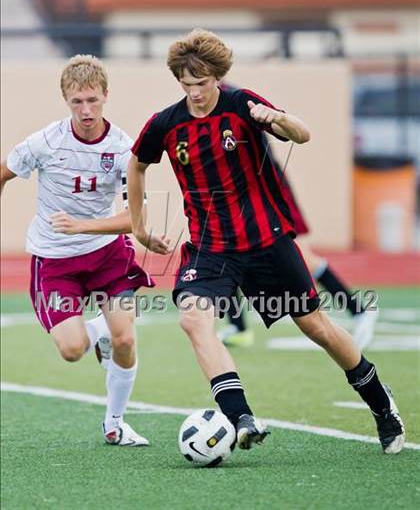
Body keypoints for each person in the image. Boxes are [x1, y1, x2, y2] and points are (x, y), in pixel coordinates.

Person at [128, 29, 405, 454]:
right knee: (193, 318)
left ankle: (382, 406)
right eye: (186, 85)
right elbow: (137, 163)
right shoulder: (167, 123)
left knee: (318, 327)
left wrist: (276, 118)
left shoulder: (241, 105)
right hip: (210, 246)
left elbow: (302, 134)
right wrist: (140, 226)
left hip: (266, 241)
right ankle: (241, 417)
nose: (195, 93)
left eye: (201, 84)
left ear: (218, 77)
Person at [0, 55, 154, 447]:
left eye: (92, 100)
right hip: (55, 261)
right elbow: (3, 172)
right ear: (65, 100)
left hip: (106, 255)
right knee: (72, 350)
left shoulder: (123, 148)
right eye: (77, 102)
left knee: (126, 339)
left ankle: (115, 423)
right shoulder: (45, 142)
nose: (86, 111)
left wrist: (85, 226)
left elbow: (135, 219)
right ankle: (98, 332)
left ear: (106, 96)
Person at [219, 166, 378, 349]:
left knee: (305, 258)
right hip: (234, 194)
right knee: (227, 250)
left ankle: (358, 310)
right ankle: (238, 327)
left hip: (264, 192)